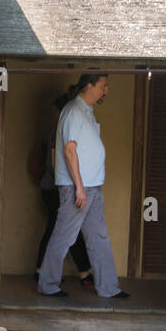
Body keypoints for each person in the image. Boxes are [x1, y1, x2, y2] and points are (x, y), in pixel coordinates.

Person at [38, 73, 129, 299]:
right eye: (103, 86)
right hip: (77, 187)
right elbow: (69, 151)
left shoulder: (87, 111)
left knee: (99, 237)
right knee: (64, 236)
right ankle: (48, 284)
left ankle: (108, 287)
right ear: (89, 86)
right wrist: (79, 186)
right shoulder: (73, 111)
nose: (106, 90)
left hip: (93, 186)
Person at [33, 91, 93, 288]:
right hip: (55, 189)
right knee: (66, 231)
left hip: (54, 188)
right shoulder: (60, 131)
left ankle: (42, 269)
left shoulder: (61, 129)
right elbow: (55, 164)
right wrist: (77, 184)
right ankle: (82, 272)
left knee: (57, 230)